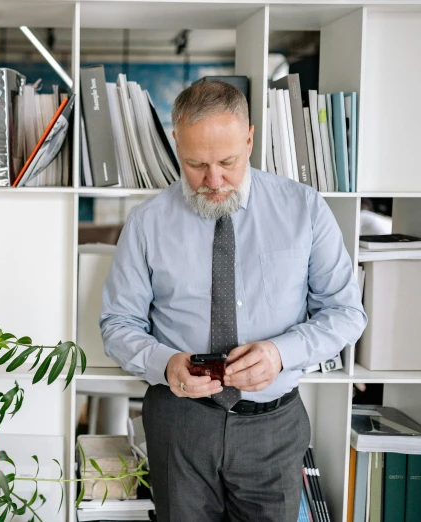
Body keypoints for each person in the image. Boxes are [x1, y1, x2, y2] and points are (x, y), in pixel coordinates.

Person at [99, 80, 367, 522]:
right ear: (176, 144)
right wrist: (166, 364)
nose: (213, 180)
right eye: (195, 164)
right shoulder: (147, 222)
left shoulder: (304, 208)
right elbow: (117, 323)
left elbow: (346, 313)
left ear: (250, 139)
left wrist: (281, 354)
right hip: (179, 422)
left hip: (274, 428)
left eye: (227, 161)